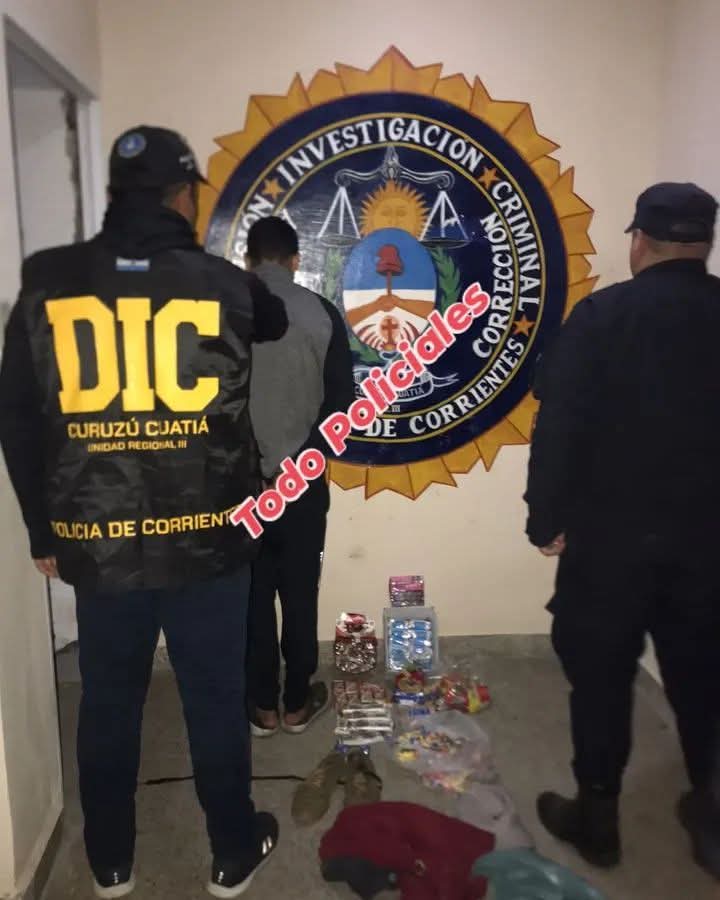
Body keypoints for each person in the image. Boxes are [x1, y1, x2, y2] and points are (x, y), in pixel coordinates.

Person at [0, 126, 288, 899]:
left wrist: (41, 529)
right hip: (208, 543)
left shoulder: (47, 280)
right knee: (214, 700)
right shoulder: (224, 284)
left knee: (108, 704)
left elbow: (18, 418)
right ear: (184, 196)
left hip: (101, 543)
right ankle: (231, 853)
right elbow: (274, 321)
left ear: (113, 195)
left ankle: (110, 863)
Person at [525, 182, 720, 879]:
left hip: (610, 542)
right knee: (704, 678)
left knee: (601, 679)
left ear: (639, 241)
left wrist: (545, 518)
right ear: (706, 244)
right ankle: (714, 817)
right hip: (708, 545)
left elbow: (559, 426)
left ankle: (598, 820)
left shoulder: (603, 316)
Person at [243, 216, 354, 737]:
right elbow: (340, 409)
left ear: (249, 261)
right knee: (300, 593)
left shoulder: (225, 312)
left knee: (252, 596)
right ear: (295, 260)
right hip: (302, 484)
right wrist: (300, 464)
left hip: (243, 488)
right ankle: (295, 705)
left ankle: (262, 707)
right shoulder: (321, 313)